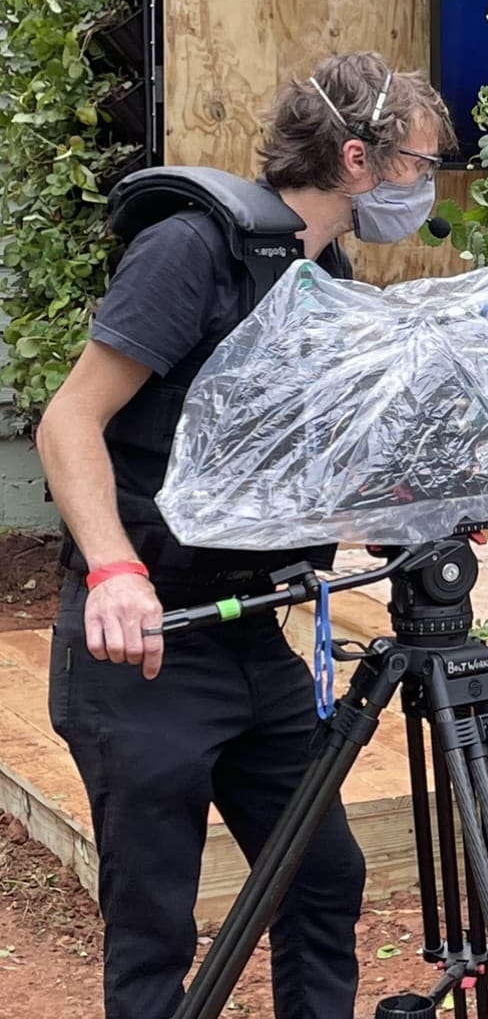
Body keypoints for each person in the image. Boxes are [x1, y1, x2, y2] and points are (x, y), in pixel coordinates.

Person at [35, 53, 454, 1019]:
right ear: (358, 159)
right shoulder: (192, 252)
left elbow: (286, 461)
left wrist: (410, 504)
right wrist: (113, 572)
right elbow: (69, 424)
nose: (425, 191)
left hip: (250, 631)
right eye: (418, 167)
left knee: (321, 878)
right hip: (145, 644)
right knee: (156, 921)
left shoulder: (323, 272)